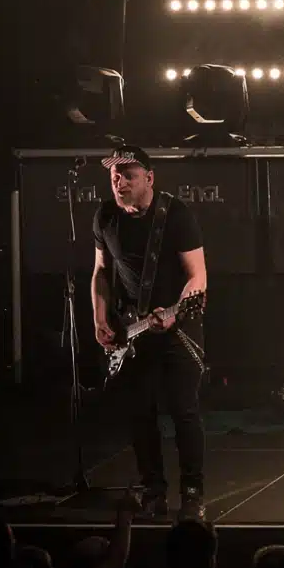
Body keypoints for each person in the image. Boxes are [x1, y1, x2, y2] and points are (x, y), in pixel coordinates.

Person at [90, 145, 210, 519]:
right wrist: (100, 317)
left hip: (177, 325)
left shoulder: (175, 215)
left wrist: (174, 314)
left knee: (183, 411)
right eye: (115, 175)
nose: (119, 182)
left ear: (149, 178)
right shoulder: (106, 217)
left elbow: (198, 278)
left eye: (128, 175)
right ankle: (153, 491)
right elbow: (100, 271)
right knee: (140, 414)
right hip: (133, 330)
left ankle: (192, 494)